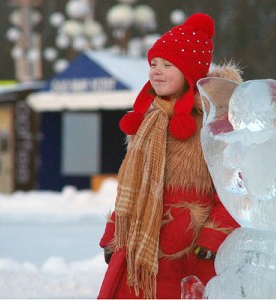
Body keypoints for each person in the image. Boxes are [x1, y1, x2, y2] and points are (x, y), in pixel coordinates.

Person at [97, 13, 242, 299]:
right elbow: (134, 188)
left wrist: (213, 238)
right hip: (139, 251)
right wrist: (114, 232)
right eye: (153, 64)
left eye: (167, 64)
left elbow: (234, 187)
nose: (156, 71)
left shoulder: (213, 125)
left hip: (190, 256)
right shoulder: (150, 120)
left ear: (189, 72)